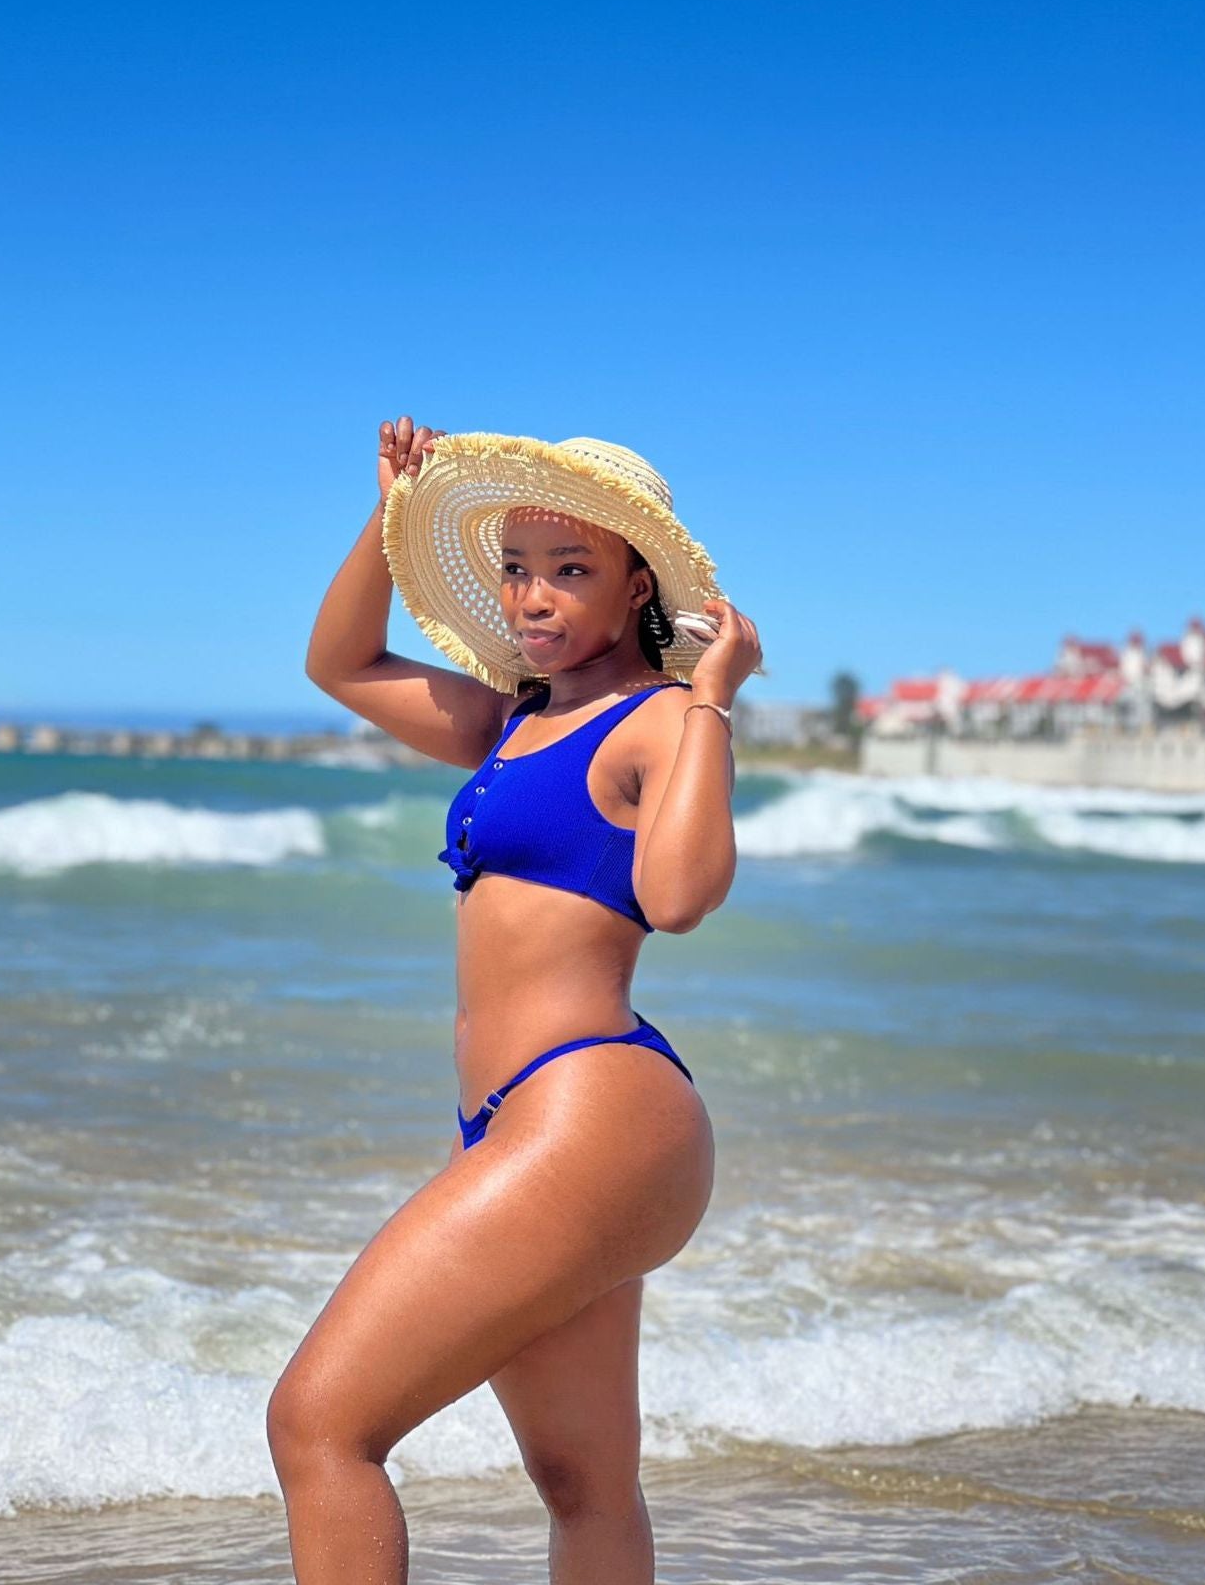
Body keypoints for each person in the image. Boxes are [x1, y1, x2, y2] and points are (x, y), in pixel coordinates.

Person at [269, 415, 762, 1584]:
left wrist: (711, 695)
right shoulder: (510, 720)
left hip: (591, 1116)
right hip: (522, 1124)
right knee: (582, 1484)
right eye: (515, 567)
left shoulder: (658, 719)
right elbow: (341, 664)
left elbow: (679, 897)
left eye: (569, 568)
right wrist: (392, 513)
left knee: (318, 1424)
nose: (533, 596)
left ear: (636, 585)